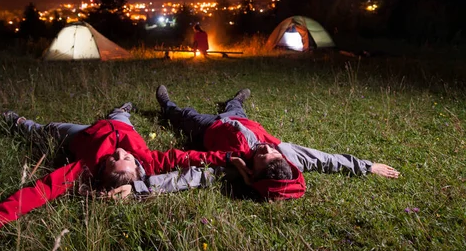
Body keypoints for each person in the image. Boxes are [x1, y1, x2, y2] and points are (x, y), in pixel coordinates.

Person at [0, 102, 239, 248]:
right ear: (137, 170)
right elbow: (187, 158)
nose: (120, 154)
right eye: (124, 159)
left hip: (83, 136)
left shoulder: (85, 165)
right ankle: (122, 109)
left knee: (48, 130)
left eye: (115, 159)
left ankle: (18, 121)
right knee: (113, 117)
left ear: (102, 170)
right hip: (117, 125)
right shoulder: (149, 160)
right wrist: (230, 157)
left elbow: (38, 192)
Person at [156, 86, 400, 201]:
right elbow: (326, 159)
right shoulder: (288, 155)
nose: (267, 148)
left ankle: (167, 105)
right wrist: (367, 166)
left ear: (253, 172)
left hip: (209, 128)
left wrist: (139, 189)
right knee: (236, 107)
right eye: (272, 151)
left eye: (264, 154)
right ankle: (236, 99)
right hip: (240, 120)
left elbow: (189, 177)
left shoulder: (235, 168)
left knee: (184, 116)